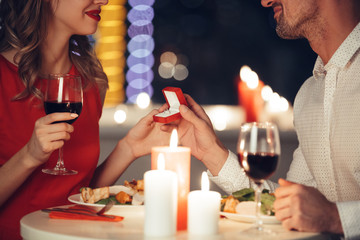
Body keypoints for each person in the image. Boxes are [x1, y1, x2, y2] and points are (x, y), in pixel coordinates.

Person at [163, 0, 360, 238]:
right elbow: (284, 207)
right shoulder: (310, 95)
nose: (265, 1)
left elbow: (324, 214)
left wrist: (334, 217)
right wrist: (211, 152)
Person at [0, 0, 170, 239]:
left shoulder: (91, 83)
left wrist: (128, 148)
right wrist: (29, 156)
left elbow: (79, 193)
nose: (104, 0)